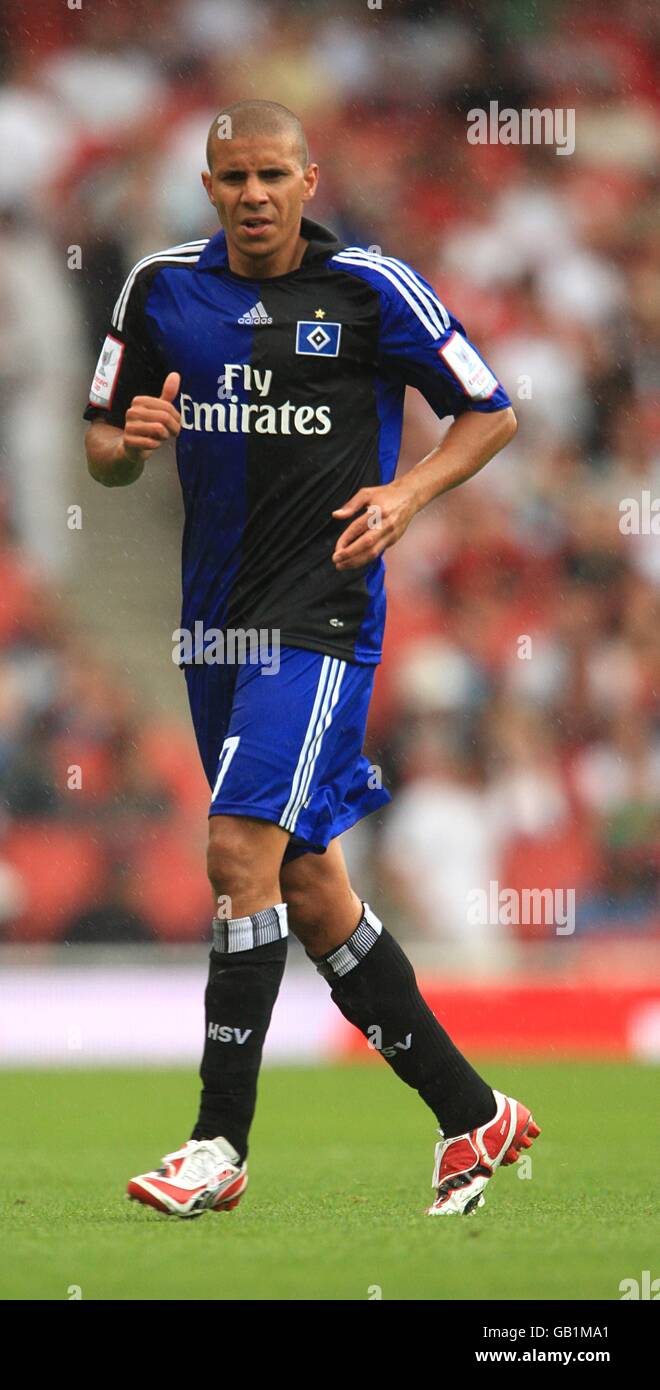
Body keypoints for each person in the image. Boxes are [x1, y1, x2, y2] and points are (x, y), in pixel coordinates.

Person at [84, 100, 539, 1217]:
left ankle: (216, 1147)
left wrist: (407, 491)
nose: (252, 194)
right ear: (207, 186)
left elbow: (488, 409)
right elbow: (99, 441)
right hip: (212, 631)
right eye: (232, 176)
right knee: (307, 886)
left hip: (321, 617)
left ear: (308, 179)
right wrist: (124, 447)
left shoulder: (373, 288)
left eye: (272, 175)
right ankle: (473, 1114)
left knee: (239, 846)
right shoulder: (158, 288)